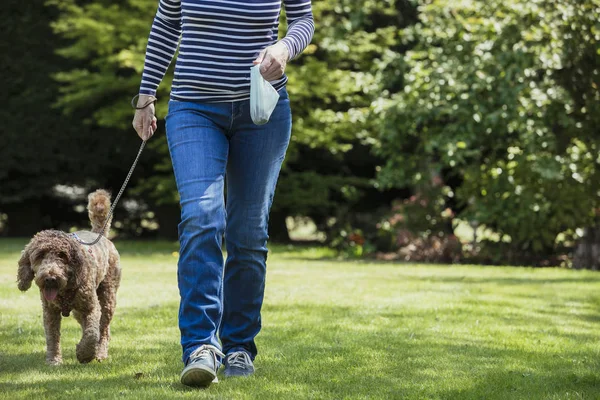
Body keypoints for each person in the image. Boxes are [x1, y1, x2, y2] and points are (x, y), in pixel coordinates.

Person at [132, 0, 314, 388]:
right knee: (201, 216)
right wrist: (146, 96)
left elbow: (303, 19)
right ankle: (200, 346)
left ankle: (239, 347)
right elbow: (166, 24)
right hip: (194, 107)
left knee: (248, 233)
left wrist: (283, 48)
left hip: (262, 111)